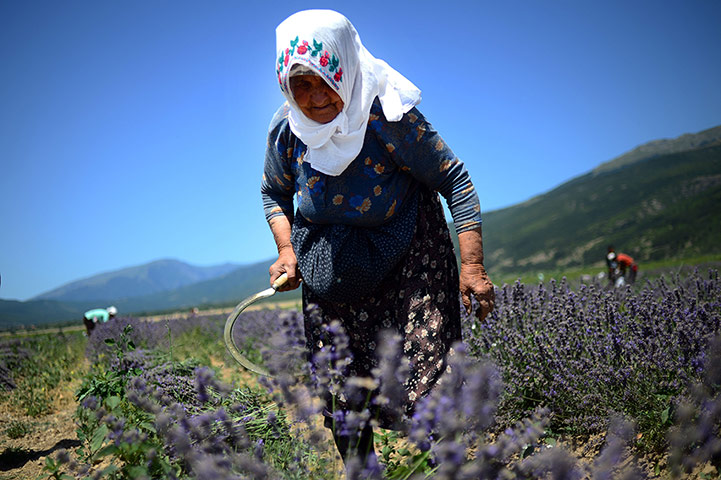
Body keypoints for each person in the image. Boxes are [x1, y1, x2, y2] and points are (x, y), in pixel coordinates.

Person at [261, 9, 494, 466]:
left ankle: (445, 471)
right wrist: (287, 251)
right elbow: (273, 193)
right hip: (333, 271)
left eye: (324, 79)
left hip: (410, 260)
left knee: (429, 384)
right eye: (299, 85)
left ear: (344, 67)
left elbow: (455, 180)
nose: (314, 97)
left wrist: (472, 267)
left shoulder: (388, 116)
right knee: (342, 392)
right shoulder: (287, 132)